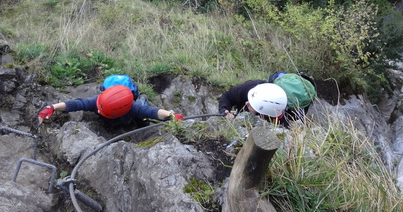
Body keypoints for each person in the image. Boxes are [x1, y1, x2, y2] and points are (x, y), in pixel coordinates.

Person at [38, 84, 183, 126]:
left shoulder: (134, 108)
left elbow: (153, 112)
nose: (99, 112)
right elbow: (76, 104)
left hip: (130, 118)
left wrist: (171, 116)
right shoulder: (97, 102)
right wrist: (52, 107)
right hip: (118, 119)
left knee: (143, 113)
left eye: (104, 111)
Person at [218, 80, 288, 123]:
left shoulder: (280, 119)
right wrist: (224, 110)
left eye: (251, 105)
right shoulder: (249, 88)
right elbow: (228, 96)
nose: (246, 103)